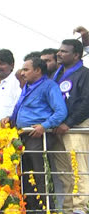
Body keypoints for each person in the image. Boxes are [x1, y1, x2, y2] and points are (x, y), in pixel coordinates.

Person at [1, 57, 67, 213]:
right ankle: (31, 209)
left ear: (38, 70)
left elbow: (61, 112)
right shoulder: (28, 86)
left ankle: (47, 210)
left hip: (38, 138)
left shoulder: (49, 86)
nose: (22, 73)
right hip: (23, 137)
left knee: (40, 176)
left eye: (26, 69)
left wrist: (45, 126)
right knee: (25, 176)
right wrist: (10, 119)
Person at [52, 39, 89, 214]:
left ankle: (81, 207)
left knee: (79, 169)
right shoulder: (57, 74)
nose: (59, 54)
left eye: (64, 51)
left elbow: (86, 103)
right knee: (64, 173)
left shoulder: (84, 73)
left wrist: (69, 123)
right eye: (59, 51)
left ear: (76, 55)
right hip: (58, 129)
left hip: (76, 127)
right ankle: (67, 209)